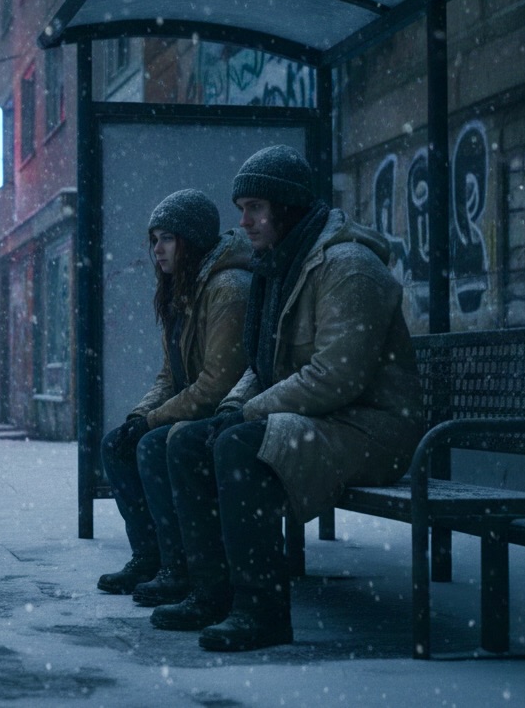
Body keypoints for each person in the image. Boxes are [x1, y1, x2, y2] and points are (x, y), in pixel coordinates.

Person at [153, 145, 423, 651]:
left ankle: (262, 612)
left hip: (373, 429)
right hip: (326, 421)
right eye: (242, 209)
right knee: (188, 442)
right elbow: (264, 365)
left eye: (255, 207)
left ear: (287, 207)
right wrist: (233, 408)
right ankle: (212, 593)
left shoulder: (347, 267)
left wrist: (246, 416)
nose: (245, 221)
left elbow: (336, 376)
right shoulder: (283, 266)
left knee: (238, 448)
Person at [97, 189, 255, 601]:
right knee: (118, 443)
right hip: (201, 410)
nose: (158, 249)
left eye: (167, 238)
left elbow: (218, 382)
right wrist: (139, 415)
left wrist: (153, 422)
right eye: (154, 240)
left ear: (192, 240)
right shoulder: (184, 290)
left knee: (153, 444)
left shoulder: (228, 288)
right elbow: (170, 375)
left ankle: (179, 565)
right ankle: (150, 556)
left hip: (229, 413)